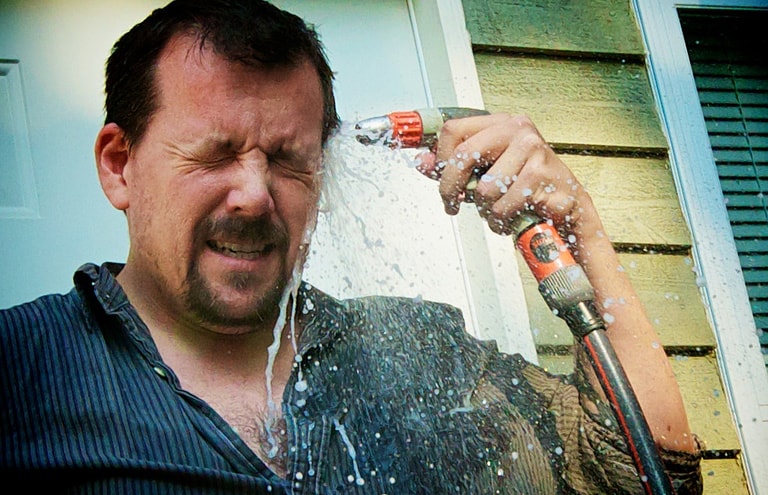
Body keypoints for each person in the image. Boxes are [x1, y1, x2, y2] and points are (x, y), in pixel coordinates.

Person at [0, 0, 702, 493]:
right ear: (120, 165)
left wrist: (583, 234)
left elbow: (640, 473)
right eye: (214, 154)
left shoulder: (420, 351)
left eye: (288, 159)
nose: (255, 195)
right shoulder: (19, 369)